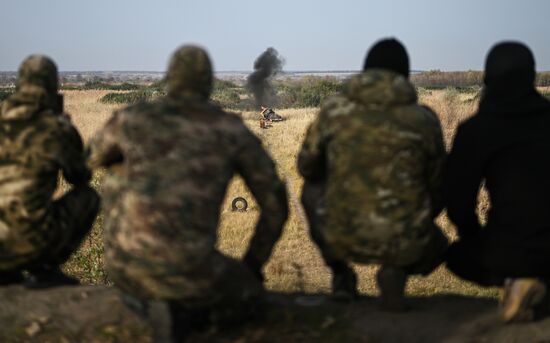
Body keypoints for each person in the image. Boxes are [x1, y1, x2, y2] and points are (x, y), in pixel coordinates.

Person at [88, 45, 288, 341]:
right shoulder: (228, 128)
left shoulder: (131, 119)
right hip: (196, 271)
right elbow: (276, 204)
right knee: (253, 298)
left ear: (169, 79)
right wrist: (251, 266)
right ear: (208, 82)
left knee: (116, 171)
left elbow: (88, 161)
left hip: (126, 269)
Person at [298, 38, 447, 310]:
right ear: (404, 74)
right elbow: (439, 183)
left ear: (365, 72)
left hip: (341, 234)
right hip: (408, 240)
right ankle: (396, 272)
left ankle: (341, 274)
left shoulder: (333, 111)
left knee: (310, 189)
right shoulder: (424, 120)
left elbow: (306, 168)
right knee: (442, 239)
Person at [444, 42, 550, 323]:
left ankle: (515, 283)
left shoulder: (476, 130)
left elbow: (457, 202)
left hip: (508, 253)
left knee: (455, 255)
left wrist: (475, 237)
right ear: (531, 77)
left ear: (488, 80)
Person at [0, 55, 99, 287]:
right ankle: (45, 268)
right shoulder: (54, 129)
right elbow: (80, 176)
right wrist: (67, 131)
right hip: (31, 242)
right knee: (88, 197)